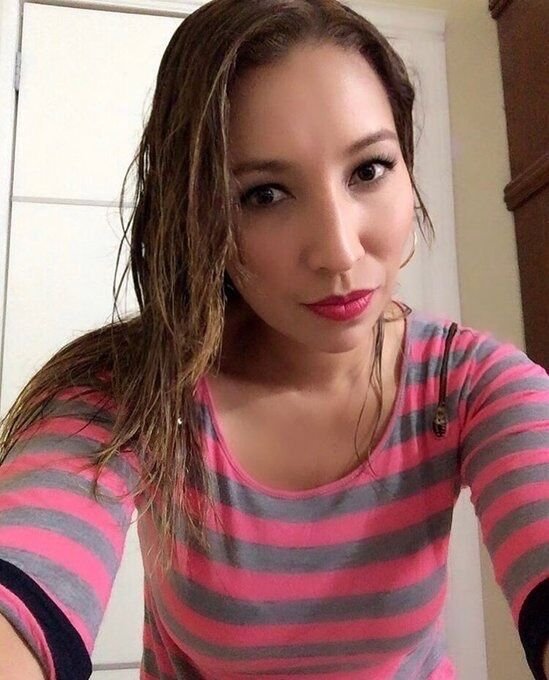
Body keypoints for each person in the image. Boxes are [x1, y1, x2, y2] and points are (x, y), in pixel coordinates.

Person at [0, 0, 547, 678]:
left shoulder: (468, 385)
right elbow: (22, 588)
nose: (338, 250)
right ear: (200, 211)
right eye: (264, 194)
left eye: (369, 170)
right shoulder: (135, 393)